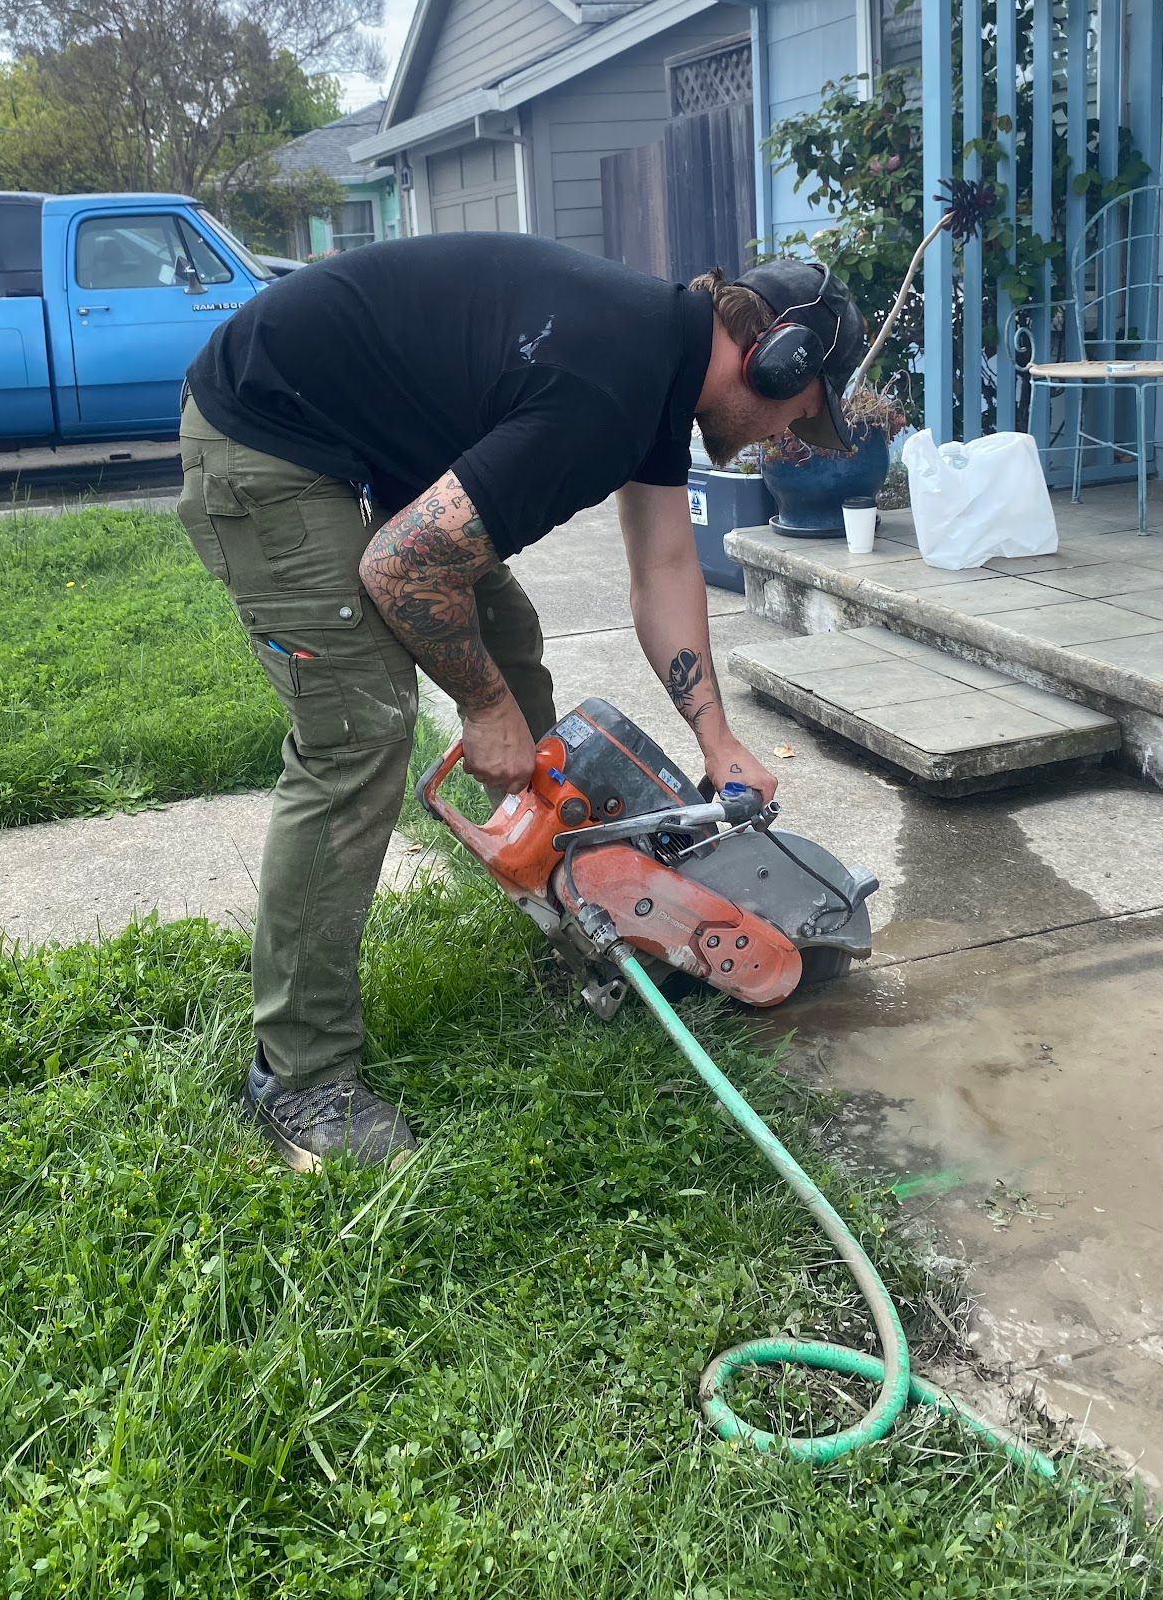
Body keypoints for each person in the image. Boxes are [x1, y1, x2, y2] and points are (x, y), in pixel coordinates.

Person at [177, 230, 866, 1171]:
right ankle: (298, 1075)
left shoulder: (658, 368)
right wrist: (481, 708)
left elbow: (663, 568)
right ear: (776, 356)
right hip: (267, 442)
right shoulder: (609, 386)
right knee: (358, 732)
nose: (788, 439)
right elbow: (406, 562)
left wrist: (717, 738)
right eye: (803, 413)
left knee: (510, 647)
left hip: (346, 442)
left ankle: (594, 912)